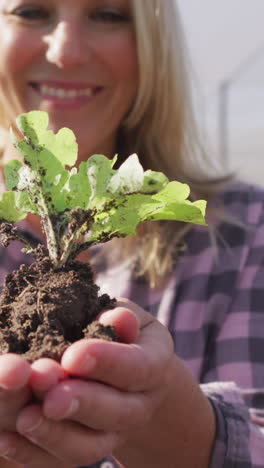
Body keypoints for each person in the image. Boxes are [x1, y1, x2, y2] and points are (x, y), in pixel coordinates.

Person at [0, 0, 262, 467]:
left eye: (108, 14)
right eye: (30, 11)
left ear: (154, 48)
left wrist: (172, 421)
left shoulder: (245, 233)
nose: (65, 52)